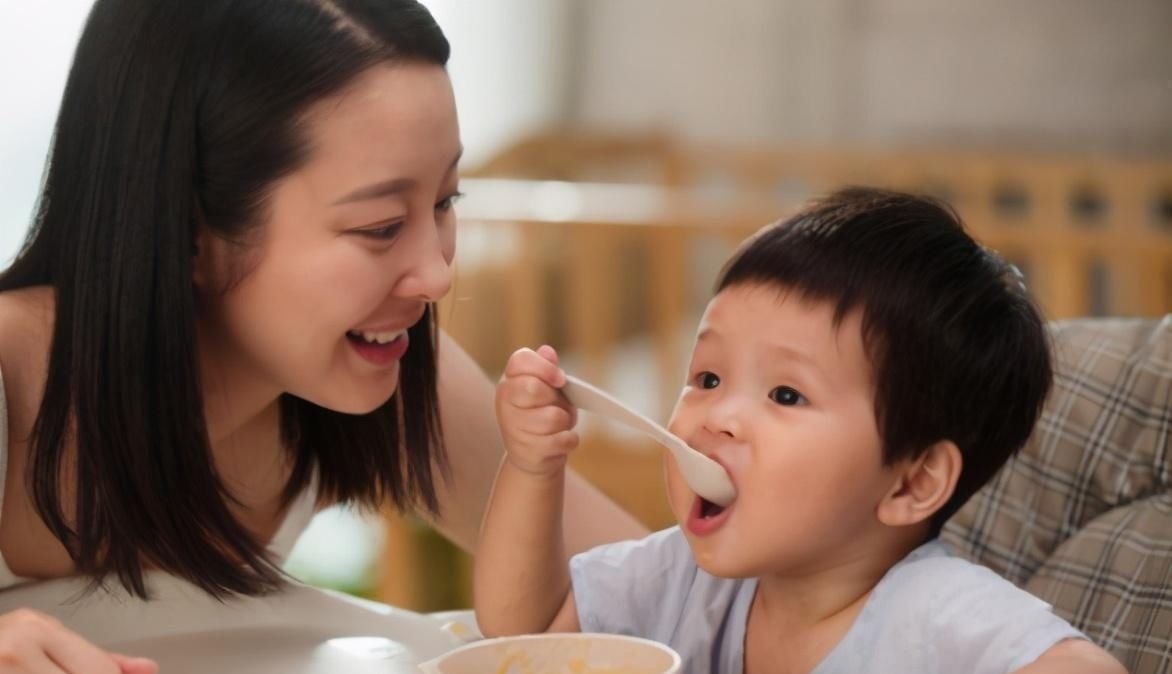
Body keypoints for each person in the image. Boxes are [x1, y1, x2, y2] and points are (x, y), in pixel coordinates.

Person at [0, 1, 646, 672]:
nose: (436, 277)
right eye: (380, 227)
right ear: (191, 231)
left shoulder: (389, 366)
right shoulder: (9, 386)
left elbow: (652, 586)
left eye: (446, 202)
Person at [476, 188, 1128, 673]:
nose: (718, 417)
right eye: (706, 378)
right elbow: (524, 633)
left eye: (785, 394)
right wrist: (534, 468)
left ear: (912, 481)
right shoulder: (684, 582)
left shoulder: (934, 616)